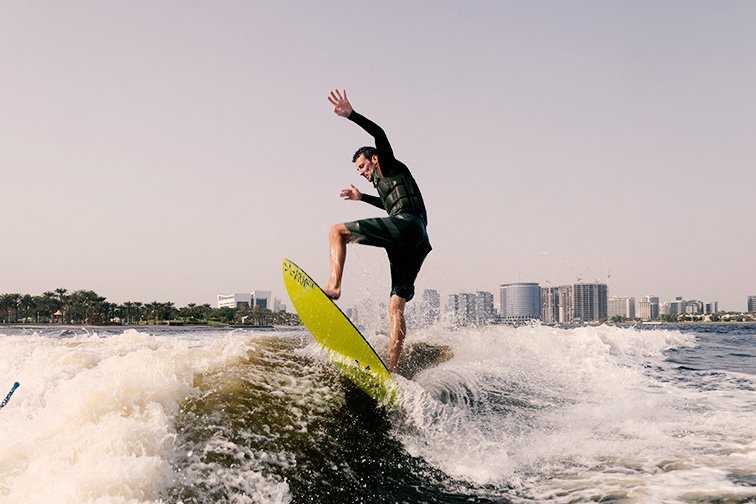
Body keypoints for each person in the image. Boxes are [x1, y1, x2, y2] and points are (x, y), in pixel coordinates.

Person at [324, 89, 431, 373]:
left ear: (373, 159)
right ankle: (392, 370)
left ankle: (333, 286)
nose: (360, 172)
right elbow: (389, 205)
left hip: (406, 225)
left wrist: (351, 115)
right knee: (396, 305)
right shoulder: (387, 185)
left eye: (361, 166)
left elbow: (380, 134)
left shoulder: (388, 164)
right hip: (417, 239)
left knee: (337, 231)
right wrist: (362, 198)